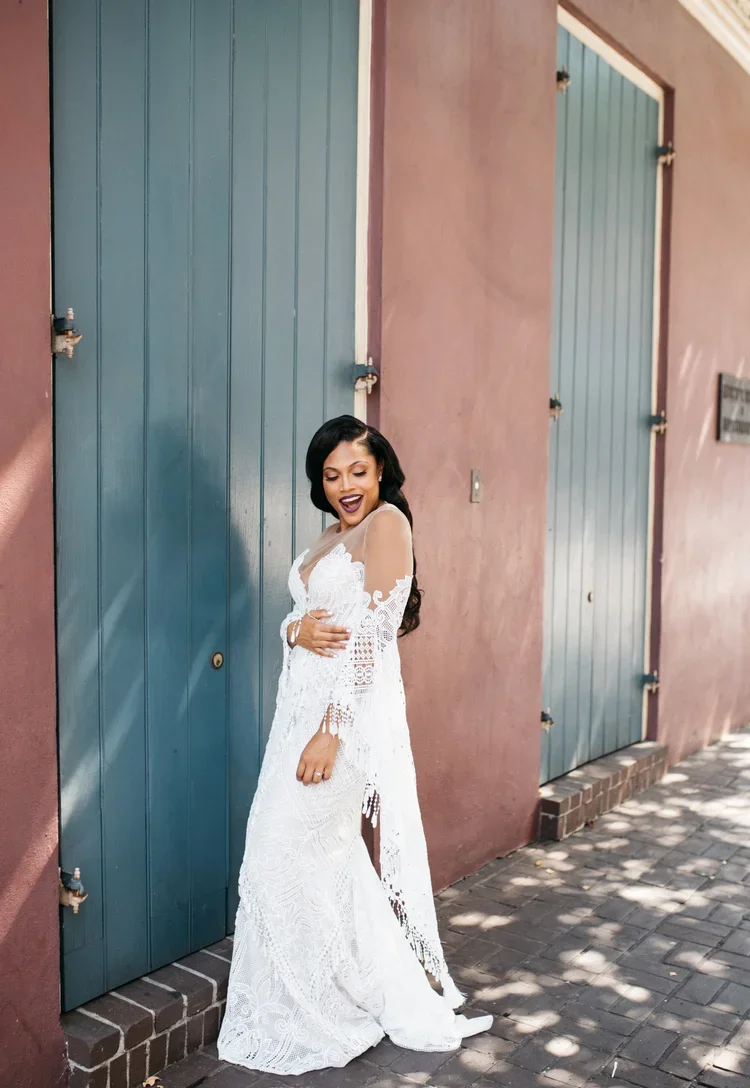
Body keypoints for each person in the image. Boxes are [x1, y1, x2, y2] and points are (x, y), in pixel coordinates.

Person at [218, 415, 492, 1075]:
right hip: (300, 719)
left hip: (339, 729)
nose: (345, 485)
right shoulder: (330, 537)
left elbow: (372, 635)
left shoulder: (389, 526)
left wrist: (332, 732)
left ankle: (320, 1013)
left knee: (277, 856)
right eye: (332, 473)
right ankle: (333, 994)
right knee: (323, 865)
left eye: (357, 472)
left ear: (381, 474)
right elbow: (305, 618)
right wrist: (294, 632)